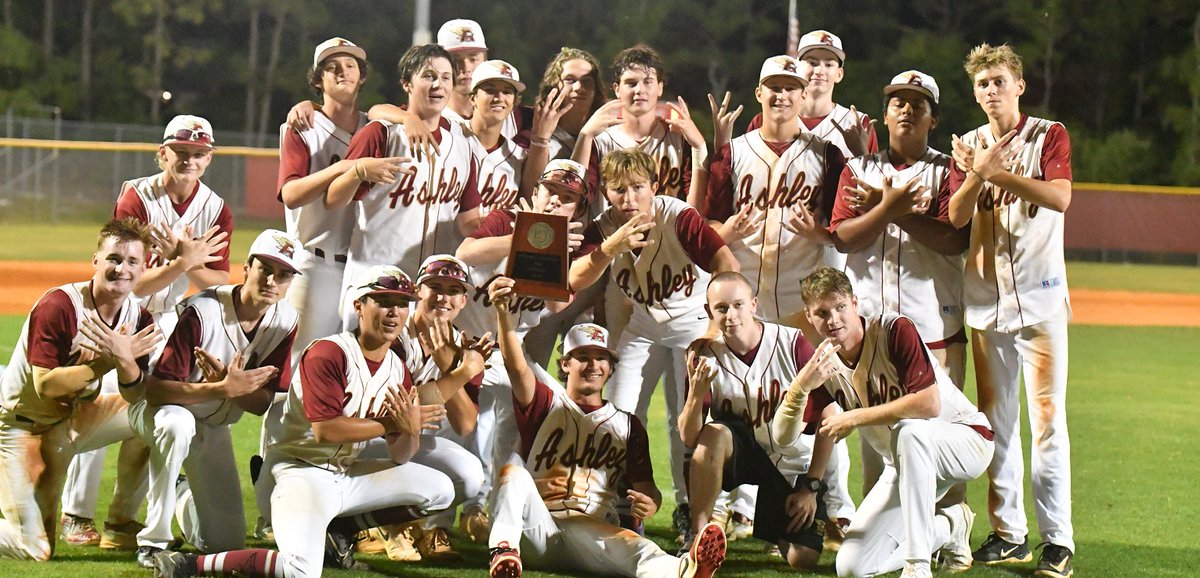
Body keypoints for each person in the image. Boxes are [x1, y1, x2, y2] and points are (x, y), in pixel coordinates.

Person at [151, 265, 457, 578]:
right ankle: (190, 565)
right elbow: (326, 430)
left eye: (402, 304)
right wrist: (393, 424)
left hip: (345, 474)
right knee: (301, 572)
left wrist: (410, 428)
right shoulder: (329, 353)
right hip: (298, 472)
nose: (394, 313)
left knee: (441, 490)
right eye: (383, 301)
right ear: (359, 306)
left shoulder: (397, 368)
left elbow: (400, 455)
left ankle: (339, 530)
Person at [485, 276, 727, 578]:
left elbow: (647, 490)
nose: (593, 366)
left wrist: (650, 504)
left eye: (601, 359)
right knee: (513, 473)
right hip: (536, 526)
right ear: (565, 364)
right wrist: (502, 314)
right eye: (583, 357)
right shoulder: (544, 402)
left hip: (592, 531)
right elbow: (516, 365)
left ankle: (685, 570)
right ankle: (503, 550)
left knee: (635, 546)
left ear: (611, 367)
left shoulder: (628, 426)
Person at [946, 43, 1075, 578]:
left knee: (1047, 424)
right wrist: (977, 174)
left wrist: (995, 175)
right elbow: (955, 217)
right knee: (996, 423)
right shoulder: (970, 146)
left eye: (999, 80)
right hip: (985, 305)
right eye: (982, 84)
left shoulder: (1049, 134)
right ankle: (1008, 534)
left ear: (1019, 85)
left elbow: (1061, 197)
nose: (991, 90)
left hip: (1040, 299)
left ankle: (1058, 539)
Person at [773, 267, 993, 578]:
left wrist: (856, 416)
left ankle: (917, 566)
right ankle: (949, 527)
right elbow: (784, 437)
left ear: (855, 303)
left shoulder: (893, 329)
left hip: (967, 441)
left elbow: (928, 404)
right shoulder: (824, 363)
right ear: (809, 317)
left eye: (839, 307)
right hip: (903, 463)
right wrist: (799, 388)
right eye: (822, 312)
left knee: (909, 429)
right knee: (851, 566)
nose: (833, 319)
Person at [569, 149, 738, 541]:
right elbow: (576, 278)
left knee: (688, 425)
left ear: (653, 188)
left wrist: (714, 326)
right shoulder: (606, 224)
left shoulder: (677, 216)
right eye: (618, 190)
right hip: (643, 324)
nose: (628, 199)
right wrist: (609, 247)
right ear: (606, 194)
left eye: (637, 188)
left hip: (693, 322)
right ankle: (624, 508)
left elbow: (726, 263)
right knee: (619, 416)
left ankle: (690, 511)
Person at [829, 71, 969, 497]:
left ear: (934, 119)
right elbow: (844, 235)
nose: (906, 110)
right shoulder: (858, 168)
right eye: (898, 103)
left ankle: (951, 527)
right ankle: (883, 536)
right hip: (870, 331)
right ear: (884, 117)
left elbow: (954, 238)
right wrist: (890, 207)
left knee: (943, 433)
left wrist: (887, 208)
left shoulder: (950, 170)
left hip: (934, 328)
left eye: (918, 104)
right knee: (877, 443)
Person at [130, 230, 300, 567]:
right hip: (162, 410)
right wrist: (222, 389)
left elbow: (265, 401)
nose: (272, 281)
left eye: (283, 275)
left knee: (224, 543)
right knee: (177, 427)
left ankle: (182, 493)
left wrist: (237, 389)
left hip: (213, 424)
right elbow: (155, 390)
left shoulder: (285, 320)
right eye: (265, 269)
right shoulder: (203, 310)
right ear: (246, 269)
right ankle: (153, 540)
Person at [0, 218, 161, 560]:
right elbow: (46, 386)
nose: (122, 269)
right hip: (20, 426)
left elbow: (134, 396)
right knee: (37, 547)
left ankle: (120, 525)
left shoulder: (139, 317)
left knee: (155, 417)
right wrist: (110, 359)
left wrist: (128, 363)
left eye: (132, 261)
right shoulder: (60, 305)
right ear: (96, 261)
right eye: (114, 258)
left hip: (74, 417)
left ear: (143, 267)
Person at [454, 158, 590, 544]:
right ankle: (431, 524)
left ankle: (495, 512)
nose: (555, 203)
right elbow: (466, 251)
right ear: (535, 193)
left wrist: (558, 252)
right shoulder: (506, 219)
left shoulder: (569, 244)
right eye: (551, 191)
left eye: (568, 199)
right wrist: (529, 238)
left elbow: (558, 306)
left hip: (505, 351)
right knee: (458, 434)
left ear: (576, 209)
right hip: (458, 345)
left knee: (538, 419)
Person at [681, 272, 834, 570]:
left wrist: (810, 487)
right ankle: (698, 534)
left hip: (791, 462)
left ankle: (773, 526)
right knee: (713, 433)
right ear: (708, 312)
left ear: (753, 304)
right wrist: (696, 393)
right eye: (721, 308)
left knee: (802, 558)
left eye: (738, 305)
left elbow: (829, 416)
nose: (731, 315)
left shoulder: (792, 344)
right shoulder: (703, 355)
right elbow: (690, 438)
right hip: (742, 453)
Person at [326, 44, 481, 329]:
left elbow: (469, 220)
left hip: (430, 295)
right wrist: (357, 172)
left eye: (446, 77)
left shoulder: (462, 145)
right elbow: (334, 199)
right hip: (374, 282)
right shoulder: (381, 133)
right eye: (429, 76)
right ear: (407, 83)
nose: (439, 84)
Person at [392, 254, 492, 559]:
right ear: (417, 290)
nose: (442, 297)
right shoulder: (393, 331)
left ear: (464, 300)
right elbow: (394, 408)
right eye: (434, 286)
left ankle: (418, 524)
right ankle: (384, 525)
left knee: (471, 476)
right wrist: (460, 373)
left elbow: (465, 424)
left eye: (453, 290)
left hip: (410, 438)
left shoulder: (465, 347)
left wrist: (451, 368)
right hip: (370, 435)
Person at [278, 37, 371, 360]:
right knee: (297, 368)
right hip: (315, 265)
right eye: (332, 68)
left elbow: (392, 112)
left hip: (362, 268)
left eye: (350, 66)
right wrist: (345, 168)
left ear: (362, 75)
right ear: (318, 80)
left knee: (349, 372)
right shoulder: (304, 127)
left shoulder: (374, 128)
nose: (343, 72)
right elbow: (290, 194)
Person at [114, 114, 232, 340]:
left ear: (209, 159)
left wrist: (182, 261)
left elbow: (218, 283)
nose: (190, 161)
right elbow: (129, 284)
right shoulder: (137, 199)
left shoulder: (217, 210)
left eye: (199, 154)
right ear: (163, 153)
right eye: (182, 152)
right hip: (120, 309)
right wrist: (184, 261)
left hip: (169, 316)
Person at [573, 44, 708, 211]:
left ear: (659, 87)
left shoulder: (678, 137)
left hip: (666, 234)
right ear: (617, 89)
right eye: (631, 83)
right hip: (615, 235)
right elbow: (575, 202)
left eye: (648, 82)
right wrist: (584, 136)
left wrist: (699, 147)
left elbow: (696, 212)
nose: (640, 90)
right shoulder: (600, 140)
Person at [466, 59, 528, 217]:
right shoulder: (451, 135)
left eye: (507, 92)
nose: (499, 97)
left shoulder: (519, 158)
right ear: (472, 98)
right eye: (490, 90)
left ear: (514, 102)